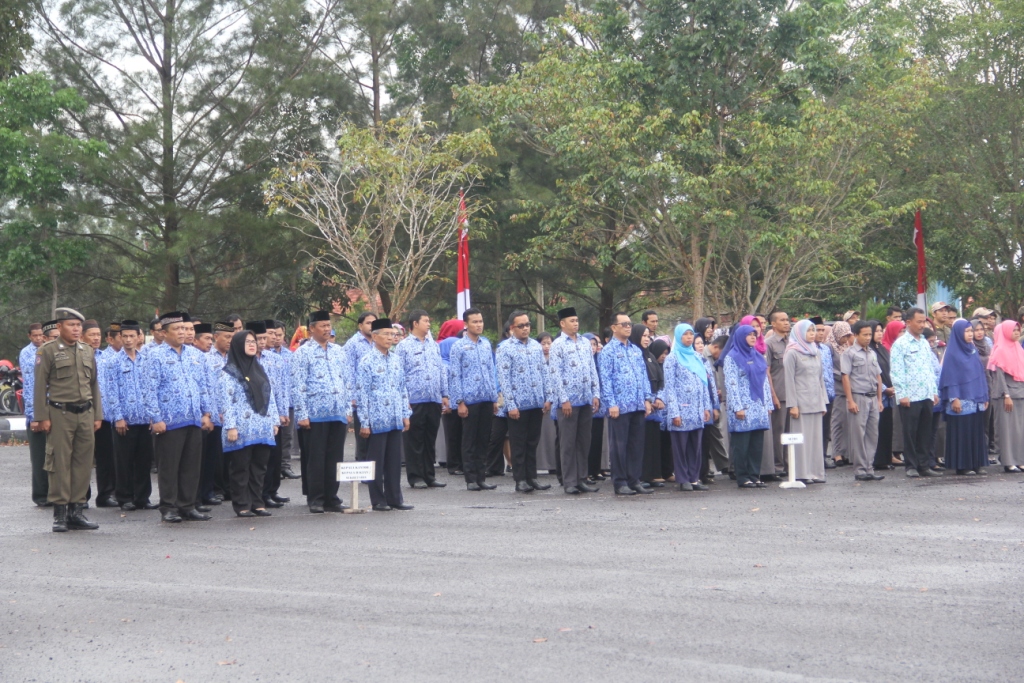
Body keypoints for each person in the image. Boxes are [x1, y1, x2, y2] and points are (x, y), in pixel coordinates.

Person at [32, 308, 102, 532]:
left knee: (83, 463)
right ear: (60, 327)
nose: (76, 329)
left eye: (78, 325)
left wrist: (97, 415)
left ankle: (76, 511)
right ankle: (60, 514)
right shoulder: (47, 351)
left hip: (86, 414)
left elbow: (94, 385)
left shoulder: (87, 350)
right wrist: (42, 417)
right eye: (71, 325)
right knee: (60, 463)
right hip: (60, 414)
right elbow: (40, 386)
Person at [143, 311, 214, 522]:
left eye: (184, 328)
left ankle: (187, 505)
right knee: (169, 467)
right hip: (169, 421)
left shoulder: (195, 355)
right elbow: (149, 390)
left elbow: (203, 386)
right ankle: (168, 506)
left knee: (191, 466)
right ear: (164, 333)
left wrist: (206, 413)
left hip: (193, 418)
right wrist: (156, 418)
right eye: (177, 329)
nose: (182, 332)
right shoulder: (154, 355)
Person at [291, 310, 350, 513]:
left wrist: (347, 409)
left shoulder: (338, 351)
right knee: (316, 458)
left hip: (337, 412)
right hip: (314, 414)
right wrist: (302, 414)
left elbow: (346, 381)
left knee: (335, 457)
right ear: (312, 329)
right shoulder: (303, 353)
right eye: (323, 326)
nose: (327, 329)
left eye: (328, 325)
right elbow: (298, 385)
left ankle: (332, 497)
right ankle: (316, 498)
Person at [356, 318, 414, 511]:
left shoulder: (396, 359)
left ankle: (395, 498)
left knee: (394, 461)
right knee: (376, 462)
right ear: (374, 337)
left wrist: (405, 413)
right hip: (376, 418)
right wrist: (364, 421)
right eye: (387, 334)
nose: (391, 338)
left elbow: (402, 388)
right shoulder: (367, 361)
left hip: (395, 416)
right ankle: (378, 500)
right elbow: (362, 393)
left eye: (393, 334)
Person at [220, 330, 279, 517]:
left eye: (254, 341)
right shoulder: (229, 372)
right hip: (241, 427)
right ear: (238, 346)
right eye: (247, 342)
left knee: (259, 467)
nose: (252, 344)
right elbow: (226, 401)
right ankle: (242, 504)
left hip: (262, 425)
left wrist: (274, 421)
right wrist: (231, 426)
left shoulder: (259, 369)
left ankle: (257, 503)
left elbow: (270, 397)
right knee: (241, 467)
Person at [495, 311, 552, 493]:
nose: (525, 328)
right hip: (518, 405)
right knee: (518, 443)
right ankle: (520, 479)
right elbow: (504, 378)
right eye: (521, 326)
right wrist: (510, 405)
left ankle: (532, 477)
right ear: (512, 328)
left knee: (532, 442)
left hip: (536, 402)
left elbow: (544, 372)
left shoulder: (536, 346)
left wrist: (548, 397)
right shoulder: (505, 348)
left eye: (527, 325)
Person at [598, 312, 654, 496]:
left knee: (636, 445)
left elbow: (643, 376)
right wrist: (611, 403)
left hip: (637, 404)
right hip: (619, 407)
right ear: (614, 327)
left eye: (630, 324)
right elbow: (605, 379)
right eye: (624, 324)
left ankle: (634, 479)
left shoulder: (635, 350)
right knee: (619, 446)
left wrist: (647, 399)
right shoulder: (608, 351)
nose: (628, 327)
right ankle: (620, 481)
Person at [548, 307, 602, 494]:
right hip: (568, 402)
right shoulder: (558, 345)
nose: (576, 323)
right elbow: (555, 374)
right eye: (572, 321)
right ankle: (570, 481)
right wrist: (563, 399)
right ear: (562, 324)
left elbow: (592, 368)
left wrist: (595, 393)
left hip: (585, 398)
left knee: (583, 442)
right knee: (568, 443)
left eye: (577, 320)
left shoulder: (585, 343)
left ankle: (581, 479)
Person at [105, 320, 158, 510]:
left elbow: (151, 389)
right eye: (125, 336)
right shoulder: (113, 361)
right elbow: (111, 391)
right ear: (119, 337)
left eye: (132, 336)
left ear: (139, 337)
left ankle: (142, 497)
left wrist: (153, 416)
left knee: (144, 460)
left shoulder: (145, 359)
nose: (128, 340)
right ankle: (125, 497)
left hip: (144, 418)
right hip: (125, 420)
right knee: (124, 460)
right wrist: (118, 417)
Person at [395, 309, 448, 488]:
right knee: (414, 439)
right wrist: (404, 399)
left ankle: (429, 475)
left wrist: (444, 394)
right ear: (415, 323)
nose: (429, 324)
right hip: (414, 400)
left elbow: (441, 370)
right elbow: (399, 375)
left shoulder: (434, 345)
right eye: (425, 321)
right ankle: (415, 476)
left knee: (429, 439)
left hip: (433, 398)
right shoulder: (404, 346)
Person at [449, 308, 498, 491]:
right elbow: (455, 375)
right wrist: (459, 401)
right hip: (469, 400)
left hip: (486, 397)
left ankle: (481, 476)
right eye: (475, 322)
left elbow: (491, 371)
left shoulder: (485, 344)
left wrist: (494, 398)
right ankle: (471, 478)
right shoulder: (458, 346)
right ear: (466, 324)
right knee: (469, 440)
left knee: (483, 439)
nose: (479, 325)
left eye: (480, 321)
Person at [890, 308, 941, 478]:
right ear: (908, 322)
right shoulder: (900, 344)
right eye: (918, 322)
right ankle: (911, 465)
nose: (922, 325)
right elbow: (897, 371)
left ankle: (924, 465)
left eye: (923, 321)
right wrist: (902, 394)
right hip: (910, 396)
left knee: (925, 432)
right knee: (910, 432)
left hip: (926, 394)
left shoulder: (924, 343)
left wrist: (933, 391)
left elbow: (929, 369)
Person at [723, 324, 773, 488]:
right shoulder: (732, 357)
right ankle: (743, 477)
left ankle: (754, 475)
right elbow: (731, 384)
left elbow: (764, 382)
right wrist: (737, 407)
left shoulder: (758, 356)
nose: (753, 337)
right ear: (740, 337)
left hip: (758, 406)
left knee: (756, 445)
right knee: (742, 445)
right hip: (743, 407)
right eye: (749, 335)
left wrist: (768, 403)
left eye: (754, 335)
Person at [663, 323, 711, 491]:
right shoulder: (672, 358)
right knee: (680, 447)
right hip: (681, 410)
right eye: (685, 334)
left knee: (695, 446)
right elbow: (669, 387)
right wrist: (674, 412)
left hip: (697, 410)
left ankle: (694, 478)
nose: (689, 337)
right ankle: (683, 479)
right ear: (678, 336)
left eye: (691, 334)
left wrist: (706, 407)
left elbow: (704, 383)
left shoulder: (697, 357)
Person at [940, 319, 990, 475]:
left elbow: (980, 374)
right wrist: (954, 398)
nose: (970, 334)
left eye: (971, 331)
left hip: (976, 397)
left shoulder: (972, 350)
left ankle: (977, 463)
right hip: (960, 399)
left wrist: (984, 395)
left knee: (976, 431)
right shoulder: (952, 353)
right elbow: (950, 377)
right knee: (962, 432)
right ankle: (963, 465)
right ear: (958, 333)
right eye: (967, 331)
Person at [783, 319, 828, 484]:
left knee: (815, 439)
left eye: (813, 330)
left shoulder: (815, 351)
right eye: (809, 331)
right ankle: (802, 473)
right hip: (801, 403)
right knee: (802, 439)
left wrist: (823, 401)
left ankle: (816, 472)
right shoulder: (792, 352)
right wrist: (792, 405)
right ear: (799, 333)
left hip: (815, 401)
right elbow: (789, 380)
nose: (812, 334)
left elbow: (820, 378)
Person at [841, 321, 885, 481]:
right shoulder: (849, 353)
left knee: (872, 434)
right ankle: (860, 470)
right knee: (858, 435)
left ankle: (869, 468)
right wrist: (850, 400)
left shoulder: (872, 353)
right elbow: (845, 377)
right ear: (855, 335)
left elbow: (878, 376)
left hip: (873, 397)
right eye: (864, 335)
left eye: (869, 334)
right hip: (858, 396)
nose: (868, 338)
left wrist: (879, 399)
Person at [82, 319, 118, 507]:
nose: (96, 338)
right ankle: (81, 496)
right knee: (83, 458)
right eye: (92, 335)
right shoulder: (78, 356)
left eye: (98, 335)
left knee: (106, 457)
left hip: (105, 415)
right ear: (82, 337)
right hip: (84, 413)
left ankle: (105, 494)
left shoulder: (106, 358)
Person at [631, 324, 667, 487]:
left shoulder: (650, 356)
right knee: (641, 442)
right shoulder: (635, 355)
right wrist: (649, 399)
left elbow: (661, 379)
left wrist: (659, 397)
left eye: (648, 336)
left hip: (655, 407)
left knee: (653, 441)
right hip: (642, 405)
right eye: (643, 336)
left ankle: (653, 474)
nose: (646, 339)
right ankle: (642, 476)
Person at [987, 320, 1024, 472]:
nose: (1017, 333)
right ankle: (1009, 462)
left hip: (1020, 393)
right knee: (1007, 430)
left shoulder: (1018, 348)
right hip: (1006, 395)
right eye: (1013, 330)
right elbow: (999, 376)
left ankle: (1019, 460)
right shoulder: (1000, 350)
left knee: (1019, 430)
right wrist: (1006, 394)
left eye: (1018, 330)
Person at [20, 322, 49, 506]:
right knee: (39, 457)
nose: (38, 338)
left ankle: (54, 493)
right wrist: (33, 416)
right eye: (35, 335)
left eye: (41, 335)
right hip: (37, 413)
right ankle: (41, 495)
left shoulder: (49, 350)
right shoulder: (27, 353)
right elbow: (30, 386)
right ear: (30, 336)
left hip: (52, 410)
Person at [268, 320, 300, 480]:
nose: (276, 338)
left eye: (279, 334)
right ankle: (273, 468)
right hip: (271, 403)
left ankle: (285, 466)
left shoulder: (289, 355)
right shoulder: (265, 354)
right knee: (273, 436)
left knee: (287, 436)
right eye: (273, 334)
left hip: (289, 402)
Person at [343, 311, 376, 463]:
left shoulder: (378, 342)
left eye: (374, 323)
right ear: (360, 325)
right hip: (360, 399)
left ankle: (376, 470)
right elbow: (348, 372)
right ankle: (363, 469)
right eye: (368, 323)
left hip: (377, 398)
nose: (371, 326)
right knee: (363, 437)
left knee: (376, 439)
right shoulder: (352, 344)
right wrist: (352, 397)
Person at [698, 334, 729, 482]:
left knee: (716, 433)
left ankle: (723, 464)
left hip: (715, 400)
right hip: (705, 402)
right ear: (716, 347)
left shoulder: (714, 359)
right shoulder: (702, 356)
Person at [437, 319, 466, 475]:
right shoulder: (443, 365)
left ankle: (461, 464)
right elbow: (445, 387)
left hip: (459, 403)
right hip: (450, 405)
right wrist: (446, 403)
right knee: (453, 436)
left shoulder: (455, 363)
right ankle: (454, 465)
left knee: (460, 435)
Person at [765, 310, 791, 475]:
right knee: (778, 431)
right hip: (779, 394)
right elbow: (767, 372)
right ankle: (778, 466)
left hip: (793, 395)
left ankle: (790, 465)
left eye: (787, 320)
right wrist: (773, 395)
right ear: (773, 324)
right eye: (782, 320)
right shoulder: (769, 344)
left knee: (791, 432)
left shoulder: (792, 342)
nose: (786, 323)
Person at [869, 321, 897, 472]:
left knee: (887, 427)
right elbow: (872, 374)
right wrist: (885, 389)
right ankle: (877, 460)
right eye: (876, 331)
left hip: (889, 396)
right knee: (877, 428)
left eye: (881, 331)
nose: (880, 333)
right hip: (878, 394)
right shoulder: (870, 350)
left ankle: (886, 459)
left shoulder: (883, 349)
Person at [826, 321, 854, 467]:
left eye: (848, 335)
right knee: (837, 421)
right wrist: (844, 375)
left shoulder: (847, 347)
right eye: (844, 336)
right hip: (837, 388)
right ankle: (837, 454)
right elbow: (828, 367)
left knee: (848, 422)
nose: (845, 339)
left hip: (848, 388)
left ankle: (846, 452)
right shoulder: (829, 346)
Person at [581, 333, 607, 482]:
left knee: (597, 439)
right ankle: (587, 471)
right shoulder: (583, 361)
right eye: (590, 344)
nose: (592, 347)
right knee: (587, 440)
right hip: (586, 405)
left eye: (594, 344)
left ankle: (596, 470)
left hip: (599, 405)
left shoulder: (599, 360)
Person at [812, 317, 836, 468]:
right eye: (817, 330)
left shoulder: (826, 349)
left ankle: (823, 456)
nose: (821, 333)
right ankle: (814, 458)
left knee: (825, 428)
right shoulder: (806, 349)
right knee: (814, 428)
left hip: (829, 393)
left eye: (822, 330)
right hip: (815, 395)